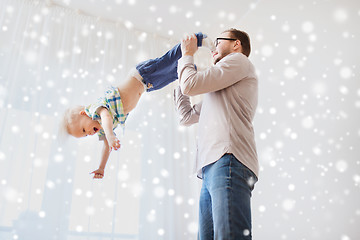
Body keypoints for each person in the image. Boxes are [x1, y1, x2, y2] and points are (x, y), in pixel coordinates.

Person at [60, 32, 215, 179]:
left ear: (83, 114)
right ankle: (202, 70)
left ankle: (198, 39)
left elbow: (106, 115)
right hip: (148, 85)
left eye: (84, 130)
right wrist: (101, 167)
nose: (89, 134)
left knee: (168, 59)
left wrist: (110, 134)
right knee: (177, 74)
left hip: (142, 73)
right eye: (86, 135)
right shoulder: (103, 128)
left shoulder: (94, 110)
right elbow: (106, 147)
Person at [174, 28, 259, 239]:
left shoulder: (239, 61)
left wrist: (187, 56)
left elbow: (191, 85)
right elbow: (186, 116)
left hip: (228, 159)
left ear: (236, 44)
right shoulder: (221, 89)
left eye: (218, 41)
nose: (213, 47)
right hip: (212, 166)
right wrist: (178, 75)